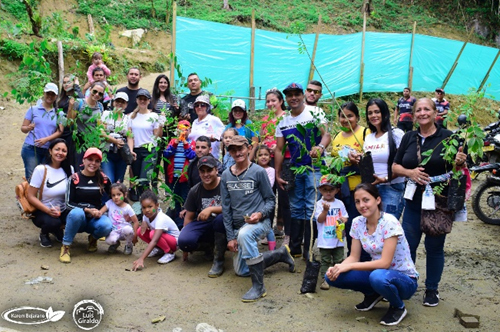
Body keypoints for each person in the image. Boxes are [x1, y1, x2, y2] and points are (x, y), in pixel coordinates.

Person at [392, 97, 466, 307]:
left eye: (427, 109)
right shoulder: (408, 137)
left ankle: (432, 289)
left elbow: (460, 166)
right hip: (414, 201)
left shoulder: (448, 138)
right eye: (418, 110)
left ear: (435, 113)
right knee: (408, 245)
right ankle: (408, 282)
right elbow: (395, 167)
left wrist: (460, 162)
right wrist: (410, 172)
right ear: (413, 115)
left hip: (438, 203)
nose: (422, 113)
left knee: (434, 247)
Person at [326, 183, 419, 326]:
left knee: (378, 276)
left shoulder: (390, 222)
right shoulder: (357, 223)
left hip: (405, 279)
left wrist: (350, 266)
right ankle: (373, 294)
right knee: (332, 276)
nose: (361, 205)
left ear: (378, 200)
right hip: (379, 274)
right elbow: (353, 256)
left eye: (366, 200)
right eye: (357, 201)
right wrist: (339, 267)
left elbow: (384, 263)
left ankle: (398, 306)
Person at [221, 135, 295, 302]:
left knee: (245, 235)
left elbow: (270, 200)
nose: (237, 152)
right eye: (233, 150)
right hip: (238, 226)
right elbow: (226, 208)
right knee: (241, 271)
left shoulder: (258, 171)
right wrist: (230, 237)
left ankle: (258, 287)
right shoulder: (226, 175)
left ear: (248, 149)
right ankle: (280, 254)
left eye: (240, 148)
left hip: (261, 223)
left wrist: (260, 214)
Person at [274, 82, 331, 260]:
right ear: (286, 98)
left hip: (314, 167)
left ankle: (309, 247)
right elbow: (279, 149)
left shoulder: (315, 113)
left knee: (311, 206)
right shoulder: (283, 121)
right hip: (295, 170)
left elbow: (326, 134)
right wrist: (277, 174)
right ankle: (296, 247)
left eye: (297, 94)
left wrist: (320, 147)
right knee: (296, 207)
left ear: (302, 95)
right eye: (289, 95)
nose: (293, 98)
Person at [330, 101, 370, 260]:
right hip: (341, 190)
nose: (346, 120)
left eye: (350, 116)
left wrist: (360, 159)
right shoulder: (337, 136)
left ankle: (362, 259)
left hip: (359, 189)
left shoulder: (364, 133)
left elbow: (371, 160)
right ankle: (345, 257)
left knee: (359, 224)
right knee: (344, 224)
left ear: (357, 117)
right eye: (342, 116)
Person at [60, 148, 112, 263]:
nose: (93, 163)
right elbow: (68, 203)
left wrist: (101, 212)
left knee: (107, 225)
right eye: (90, 159)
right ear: (83, 160)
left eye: (97, 161)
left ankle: (93, 238)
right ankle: (66, 246)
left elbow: (113, 199)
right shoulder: (74, 179)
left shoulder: (104, 179)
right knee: (77, 213)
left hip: (95, 218)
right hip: (78, 219)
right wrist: (87, 210)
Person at [177, 155, 226, 277]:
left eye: (209, 170)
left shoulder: (225, 185)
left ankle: (218, 259)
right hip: (204, 224)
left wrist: (211, 209)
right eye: (202, 171)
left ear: (216, 170)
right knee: (184, 241)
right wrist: (185, 247)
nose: (206, 174)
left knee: (220, 219)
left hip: (224, 224)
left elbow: (234, 208)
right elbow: (188, 217)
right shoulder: (195, 190)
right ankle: (208, 247)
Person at [363, 98, 405, 220]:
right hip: (372, 189)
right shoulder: (369, 137)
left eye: (377, 112)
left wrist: (385, 179)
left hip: (391, 187)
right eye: (370, 113)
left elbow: (403, 163)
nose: (373, 115)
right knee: (373, 226)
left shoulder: (396, 134)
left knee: (388, 226)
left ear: (385, 113)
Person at [27, 138, 73, 248]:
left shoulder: (69, 169)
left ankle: (57, 231)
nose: (60, 153)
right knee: (53, 223)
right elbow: (30, 196)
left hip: (63, 209)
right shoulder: (41, 170)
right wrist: (48, 210)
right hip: (43, 210)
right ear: (50, 151)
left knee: (77, 217)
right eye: (57, 149)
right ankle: (44, 233)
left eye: (64, 150)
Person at [261, 88, 290, 245]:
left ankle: (287, 233)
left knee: (285, 197)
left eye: (274, 100)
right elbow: (261, 139)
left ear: (281, 102)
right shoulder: (265, 120)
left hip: (284, 162)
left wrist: (279, 148)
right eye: (268, 101)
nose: (270, 103)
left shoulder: (287, 118)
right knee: (268, 197)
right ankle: (268, 232)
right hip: (267, 163)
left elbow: (290, 141)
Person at [21, 82, 63, 180]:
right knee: (31, 178)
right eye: (48, 93)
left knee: (44, 178)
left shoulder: (58, 113)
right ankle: (28, 195)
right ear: (44, 93)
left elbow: (60, 131)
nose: (50, 96)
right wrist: (28, 128)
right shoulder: (33, 109)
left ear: (56, 96)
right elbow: (23, 128)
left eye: (53, 94)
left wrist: (46, 139)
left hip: (48, 149)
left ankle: (39, 196)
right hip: (31, 147)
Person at [127, 88, 164, 198]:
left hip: (149, 150)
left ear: (149, 101)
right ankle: (142, 204)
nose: (142, 101)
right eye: (140, 99)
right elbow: (130, 136)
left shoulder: (153, 116)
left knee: (144, 179)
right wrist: (131, 151)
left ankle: (148, 203)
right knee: (138, 180)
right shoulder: (131, 117)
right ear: (137, 100)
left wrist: (161, 125)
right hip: (136, 150)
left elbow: (157, 135)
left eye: (145, 99)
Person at [314, 175, 348, 291]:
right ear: (320, 190)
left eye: (331, 190)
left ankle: (338, 278)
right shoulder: (319, 204)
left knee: (339, 259)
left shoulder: (340, 203)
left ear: (337, 190)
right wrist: (325, 211)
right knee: (325, 260)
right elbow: (319, 219)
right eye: (325, 190)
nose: (328, 192)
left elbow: (345, 217)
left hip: (338, 238)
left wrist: (343, 220)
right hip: (325, 239)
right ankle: (325, 279)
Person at [132, 190, 180, 270]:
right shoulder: (147, 215)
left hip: (174, 242)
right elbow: (144, 221)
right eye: (144, 207)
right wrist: (144, 222)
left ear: (157, 206)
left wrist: (141, 259)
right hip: (163, 239)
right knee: (140, 231)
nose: (147, 210)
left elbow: (154, 240)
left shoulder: (160, 218)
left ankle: (170, 253)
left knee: (152, 234)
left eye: (150, 207)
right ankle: (159, 249)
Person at [163, 120, 196, 229]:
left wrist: (185, 144)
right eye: (181, 129)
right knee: (175, 199)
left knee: (185, 200)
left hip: (185, 178)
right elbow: (166, 154)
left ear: (190, 131)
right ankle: (177, 223)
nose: (183, 131)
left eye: (186, 129)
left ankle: (184, 222)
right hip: (173, 176)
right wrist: (175, 144)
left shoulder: (191, 143)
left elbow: (192, 156)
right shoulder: (173, 141)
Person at [67, 81, 105, 169]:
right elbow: (70, 123)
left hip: (93, 142)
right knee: (80, 169)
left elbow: (99, 127)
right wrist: (70, 108)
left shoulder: (100, 107)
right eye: (95, 91)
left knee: (92, 169)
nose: (97, 95)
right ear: (90, 90)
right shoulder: (79, 103)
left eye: (100, 94)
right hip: (79, 142)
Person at [100, 92, 130, 183]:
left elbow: (130, 136)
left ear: (126, 104)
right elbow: (101, 132)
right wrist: (115, 141)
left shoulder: (128, 119)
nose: (119, 104)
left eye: (122, 102)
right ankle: (106, 197)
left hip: (122, 154)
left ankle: (117, 197)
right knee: (109, 179)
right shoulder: (106, 114)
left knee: (118, 181)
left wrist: (131, 151)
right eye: (117, 101)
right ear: (113, 102)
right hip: (107, 152)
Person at [100, 183, 138, 255]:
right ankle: (115, 243)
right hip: (114, 230)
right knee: (109, 241)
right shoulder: (110, 203)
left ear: (125, 195)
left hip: (125, 231)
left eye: (119, 194)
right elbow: (101, 212)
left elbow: (135, 221)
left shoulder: (128, 207)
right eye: (113, 195)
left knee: (128, 229)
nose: (116, 197)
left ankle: (129, 245)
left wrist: (135, 235)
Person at [57, 74, 84, 167]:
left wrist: (76, 86)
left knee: (73, 162)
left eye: (69, 82)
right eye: (64, 82)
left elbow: (82, 99)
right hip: (62, 132)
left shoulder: (77, 98)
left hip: (74, 134)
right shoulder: (60, 99)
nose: (66, 85)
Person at [187, 95, 225, 159]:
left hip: (210, 158)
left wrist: (215, 138)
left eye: (202, 105)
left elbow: (223, 134)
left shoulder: (213, 120)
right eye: (197, 105)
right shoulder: (194, 122)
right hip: (195, 157)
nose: (199, 107)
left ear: (207, 107)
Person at [255, 144, 277, 251]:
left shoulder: (271, 170)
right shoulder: (253, 169)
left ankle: (273, 250)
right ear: (255, 157)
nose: (263, 157)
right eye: (260, 155)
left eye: (266, 155)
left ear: (270, 156)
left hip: (265, 202)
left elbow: (270, 185)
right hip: (254, 202)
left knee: (267, 224)